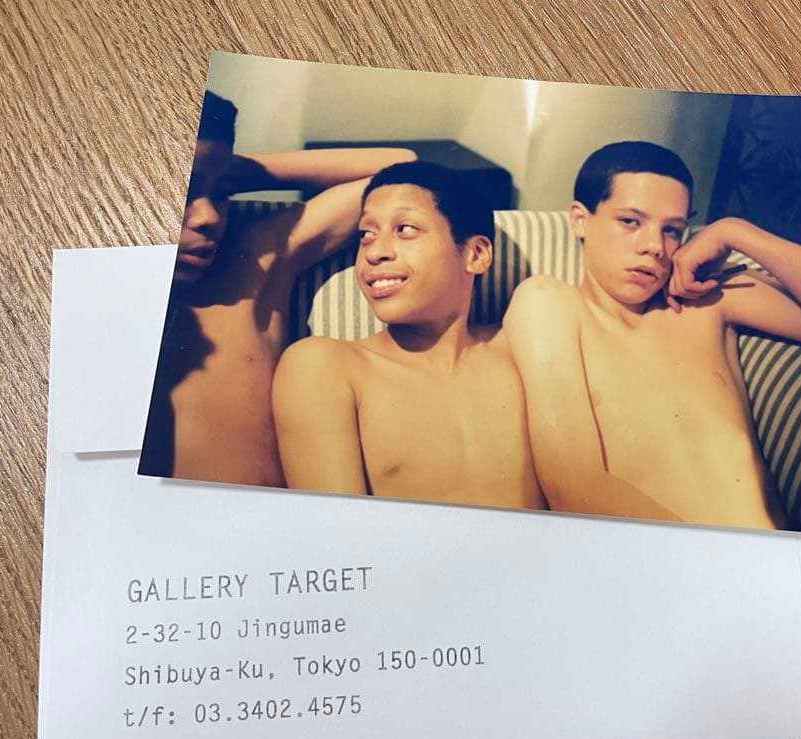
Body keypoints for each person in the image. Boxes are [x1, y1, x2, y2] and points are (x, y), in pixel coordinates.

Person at [502, 141, 801, 529]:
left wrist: (734, 232)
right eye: (630, 221)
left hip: (767, 549)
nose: (654, 247)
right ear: (580, 219)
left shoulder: (708, 301)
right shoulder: (550, 303)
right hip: (668, 556)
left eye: (672, 230)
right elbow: (574, 488)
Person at [139, 91, 414, 486]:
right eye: (184, 191)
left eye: (221, 194)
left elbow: (402, 171)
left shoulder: (251, 264)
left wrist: (232, 169)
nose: (209, 216)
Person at [271, 161, 546, 510]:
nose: (374, 252)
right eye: (365, 234)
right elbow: (338, 531)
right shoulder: (327, 367)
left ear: (476, 254)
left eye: (405, 229)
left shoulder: (523, 351)